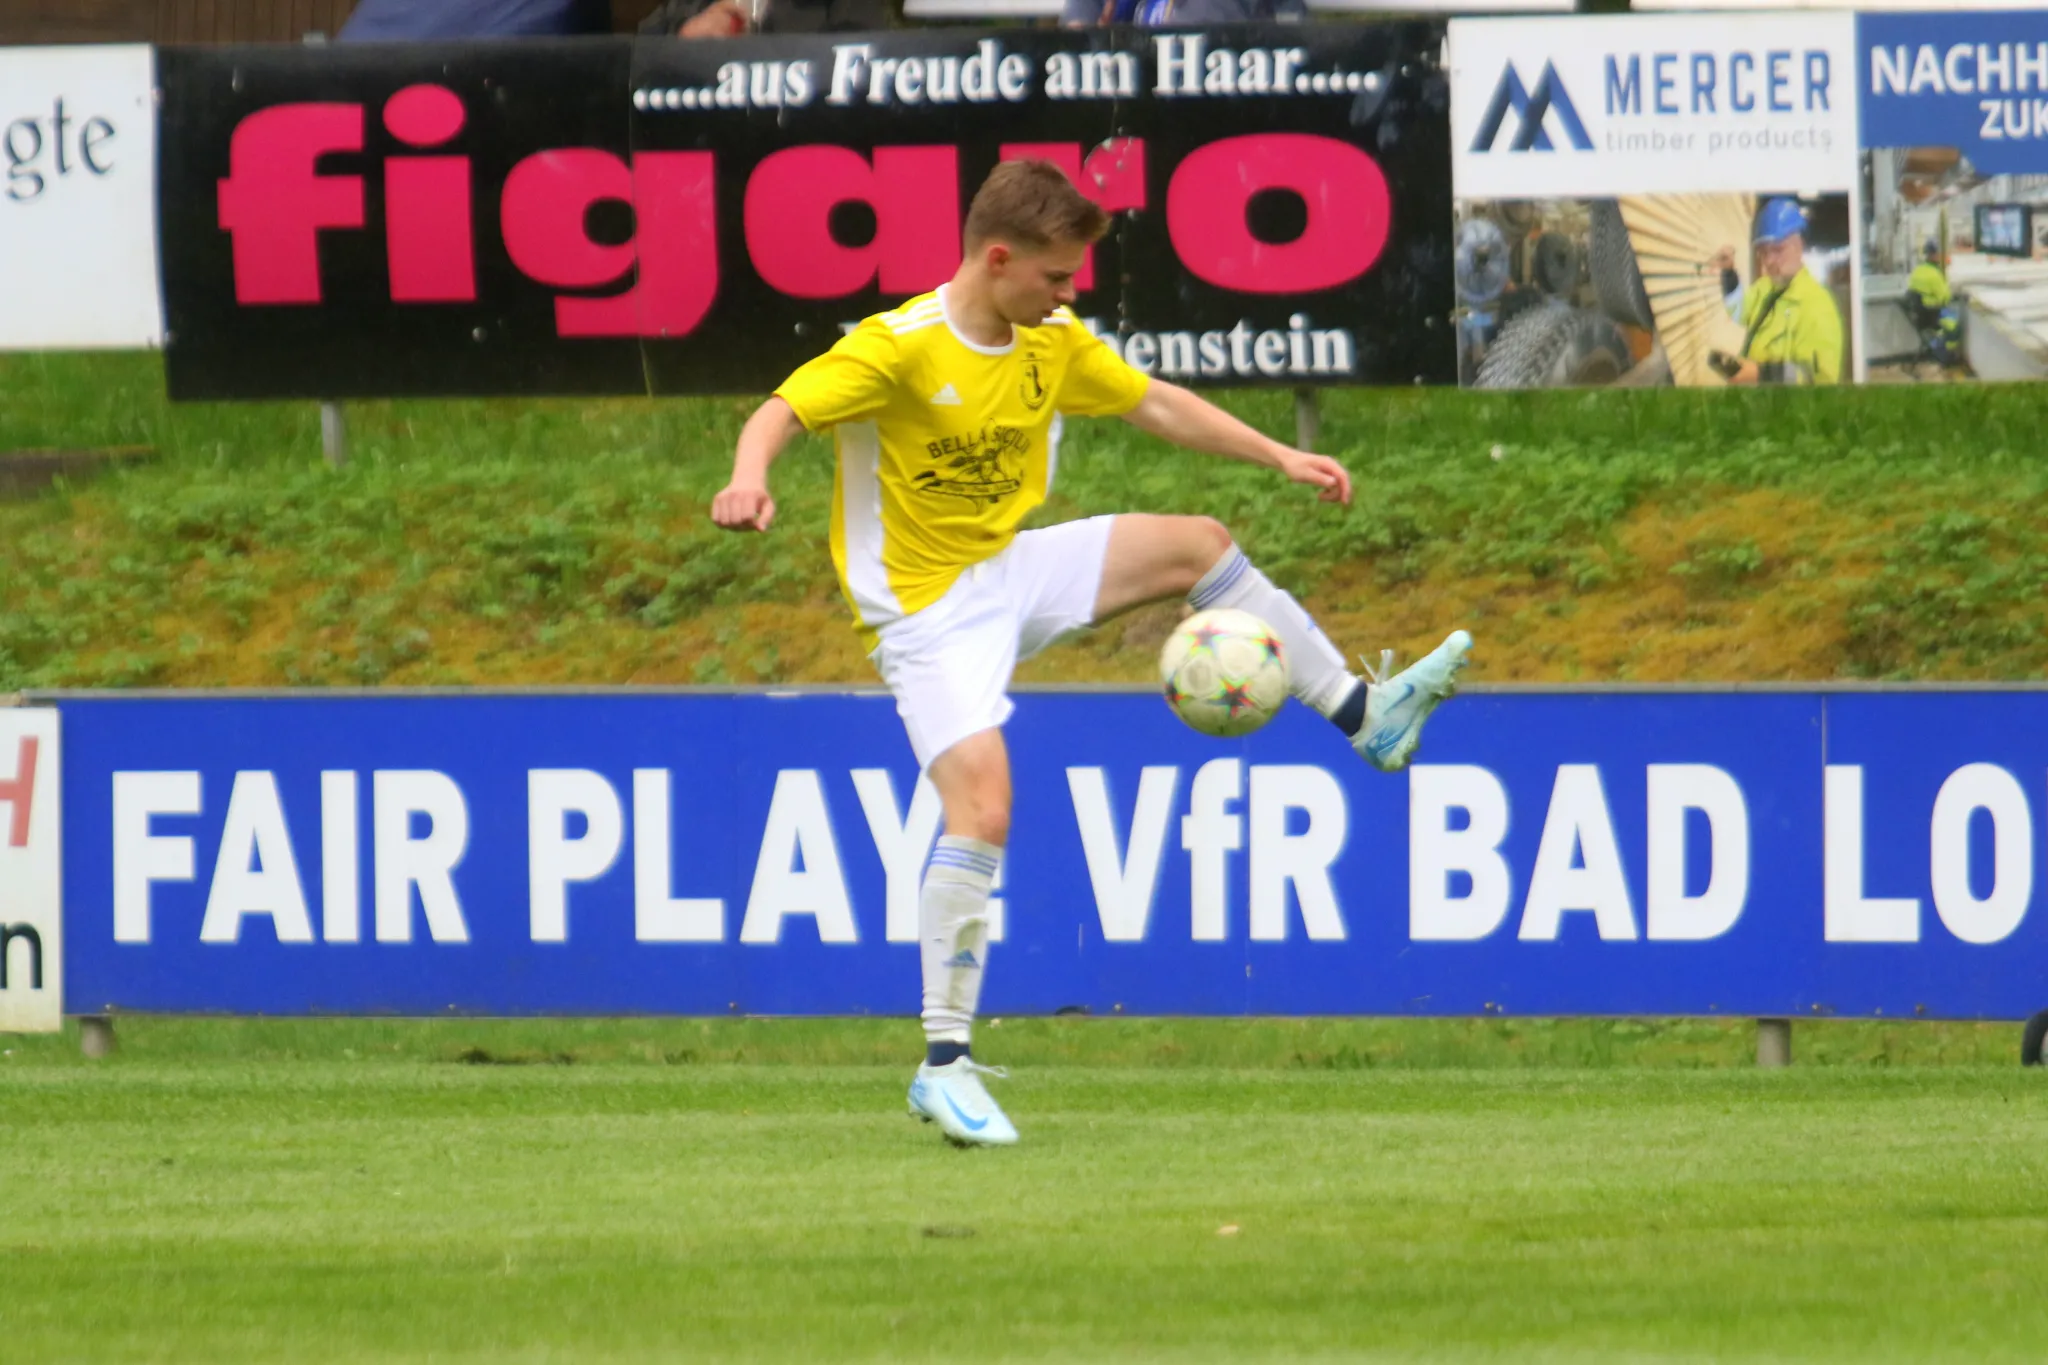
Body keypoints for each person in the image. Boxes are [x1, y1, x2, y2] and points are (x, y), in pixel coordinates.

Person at [711, 161, 1471, 1147]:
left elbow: (1154, 403)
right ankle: (943, 1064)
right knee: (983, 809)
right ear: (997, 259)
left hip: (1008, 567)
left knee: (1198, 545)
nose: (1069, 294)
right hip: (925, 610)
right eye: (1056, 276)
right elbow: (780, 411)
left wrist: (1277, 454)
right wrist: (747, 477)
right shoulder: (894, 349)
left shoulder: (1048, 340)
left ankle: (1365, 716)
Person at [1707, 197, 1845, 386]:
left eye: (1777, 250)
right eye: (1763, 252)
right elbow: (1739, 312)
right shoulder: (1764, 288)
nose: (1768, 261)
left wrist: (1760, 374)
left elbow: (1820, 378)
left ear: (1799, 247)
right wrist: (1729, 273)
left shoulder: (1818, 305)